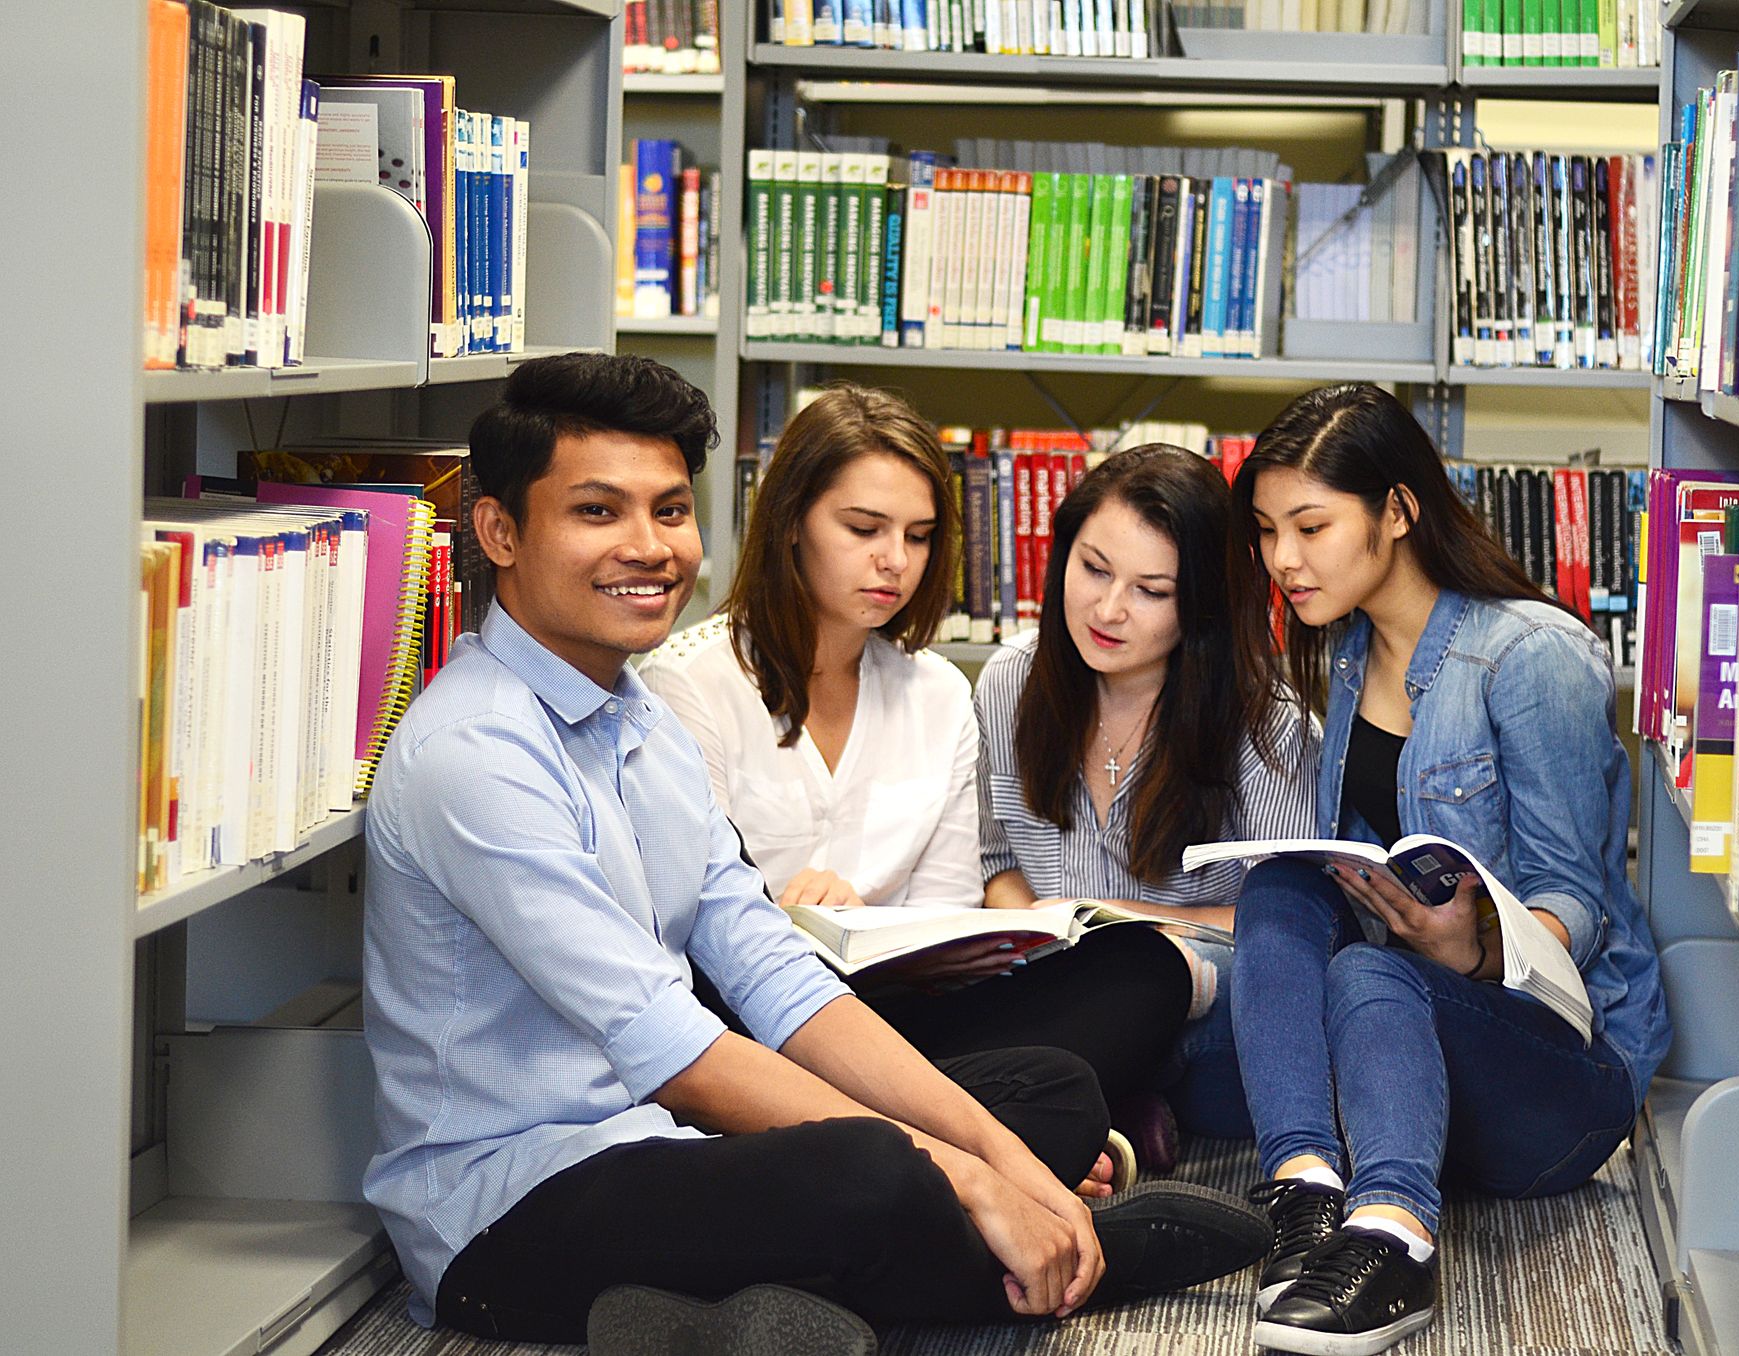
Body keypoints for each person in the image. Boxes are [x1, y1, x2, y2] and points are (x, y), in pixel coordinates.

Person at [359, 354, 1269, 1356]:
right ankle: (1075, 1259)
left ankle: (725, 1316)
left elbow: (771, 969)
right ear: (499, 533)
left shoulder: (635, 723)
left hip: (670, 1145)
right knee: (872, 1173)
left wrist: (996, 1152)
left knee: (1031, 1098)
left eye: (669, 511)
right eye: (597, 512)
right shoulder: (474, 754)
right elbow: (671, 1042)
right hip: (509, 1212)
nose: (648, 546)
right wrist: (968, 1179)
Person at [1226, 383, 1672, 1356]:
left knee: (1368, 968)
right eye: (1265, 531)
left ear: (1395, 510)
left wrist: (1472, 949)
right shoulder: (1348, 649)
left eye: (1309, 526)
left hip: (1560, 1070)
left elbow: (1577, 900)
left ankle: (1395, 1238)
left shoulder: (1531, 657)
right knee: (1280, 890)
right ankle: (1304, 1193)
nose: (1282, 560)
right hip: (1409, 1045)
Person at [639, 387, 1197, 1154]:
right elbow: (677, 935)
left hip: (902, 1020)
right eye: (864, 528)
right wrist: (793, 917)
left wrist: (906, 929)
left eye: (920, 535)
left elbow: (947, 907)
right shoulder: (689, 682)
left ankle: (964, 1133)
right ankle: (1022, 1133)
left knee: (1145, 970)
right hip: (758, 1021)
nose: (894, 561)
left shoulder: (936, 691)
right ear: (793, 520)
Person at [975, 444, 1319, 1150]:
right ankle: (1100, 1104)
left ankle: (1074, 1107)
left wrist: (1117, 920)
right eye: (1093, 569)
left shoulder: (1268, 727)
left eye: (1151, 591)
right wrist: (1034, 929)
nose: (1108, 609)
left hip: (1196, 989)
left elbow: (1286, 924)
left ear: (1199, 606)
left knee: (1159, 976)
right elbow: (994, 860)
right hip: (1047, 979)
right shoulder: (1010, 681)